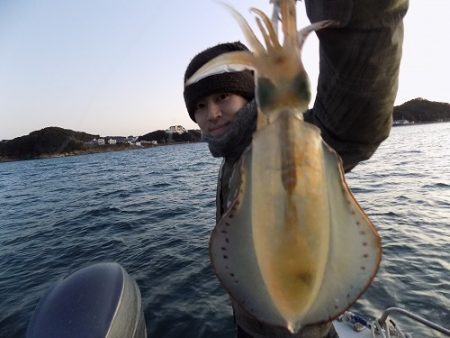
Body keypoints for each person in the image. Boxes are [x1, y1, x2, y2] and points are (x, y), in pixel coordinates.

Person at [183, 0, 408, 337]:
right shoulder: (231, 156)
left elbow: (357, 116)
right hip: (251, 325)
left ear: (251, 96)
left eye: (223, 97)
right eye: (200, 105)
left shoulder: (308, 141)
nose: (212, 113)